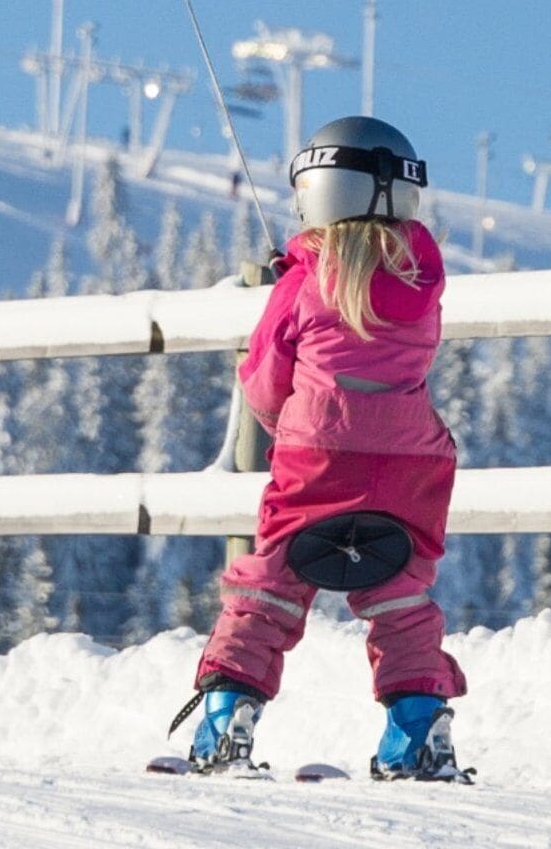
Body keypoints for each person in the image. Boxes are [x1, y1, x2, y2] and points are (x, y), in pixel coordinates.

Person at [175, 116, 470, 782]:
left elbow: (262, 378)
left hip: (316, 454)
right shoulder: (424, 287)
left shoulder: (302, 283)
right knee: (399, 592)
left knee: (273, 585)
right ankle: (419, 728)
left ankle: (227, 717)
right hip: (414, 460)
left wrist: (289, 420)